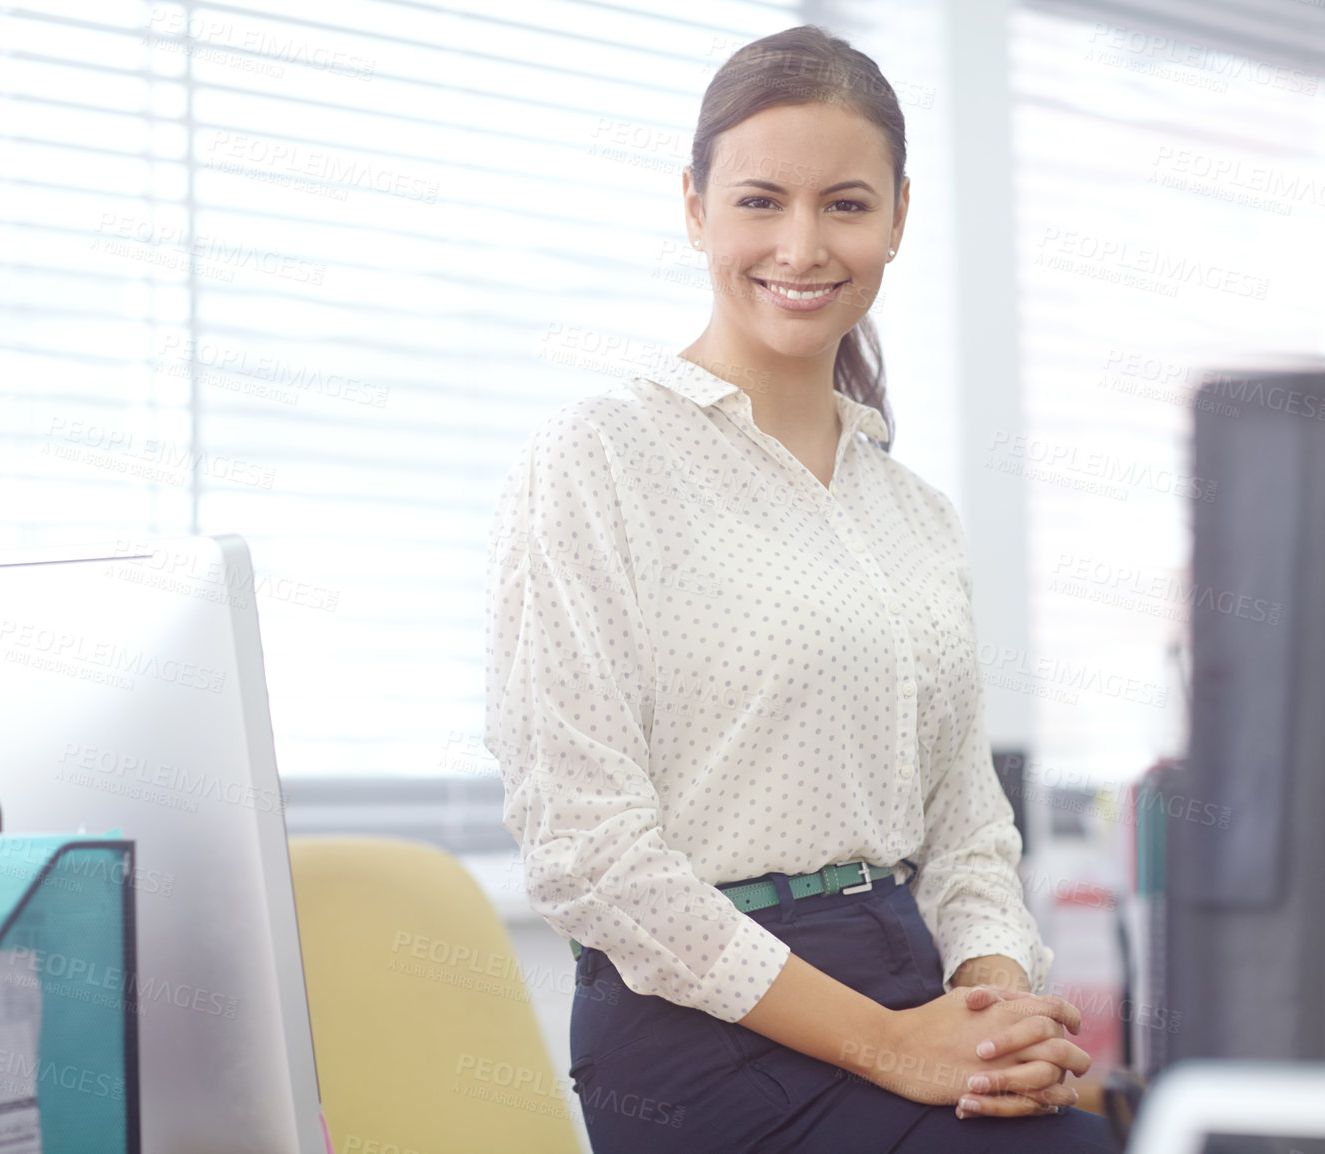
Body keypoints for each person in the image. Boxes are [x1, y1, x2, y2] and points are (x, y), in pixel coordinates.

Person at [483, 24, 1117, 1153]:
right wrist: (893, 1043)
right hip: (701, 1022)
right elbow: (588, 853)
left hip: (905, 962)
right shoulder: (600, 458)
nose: (802, 244)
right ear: (694, 207)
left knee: (1088, 1127)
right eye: (761, 200)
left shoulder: (915, 512)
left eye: (845, 204)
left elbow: (966, 829)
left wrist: (992, 1005)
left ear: (898, 218)